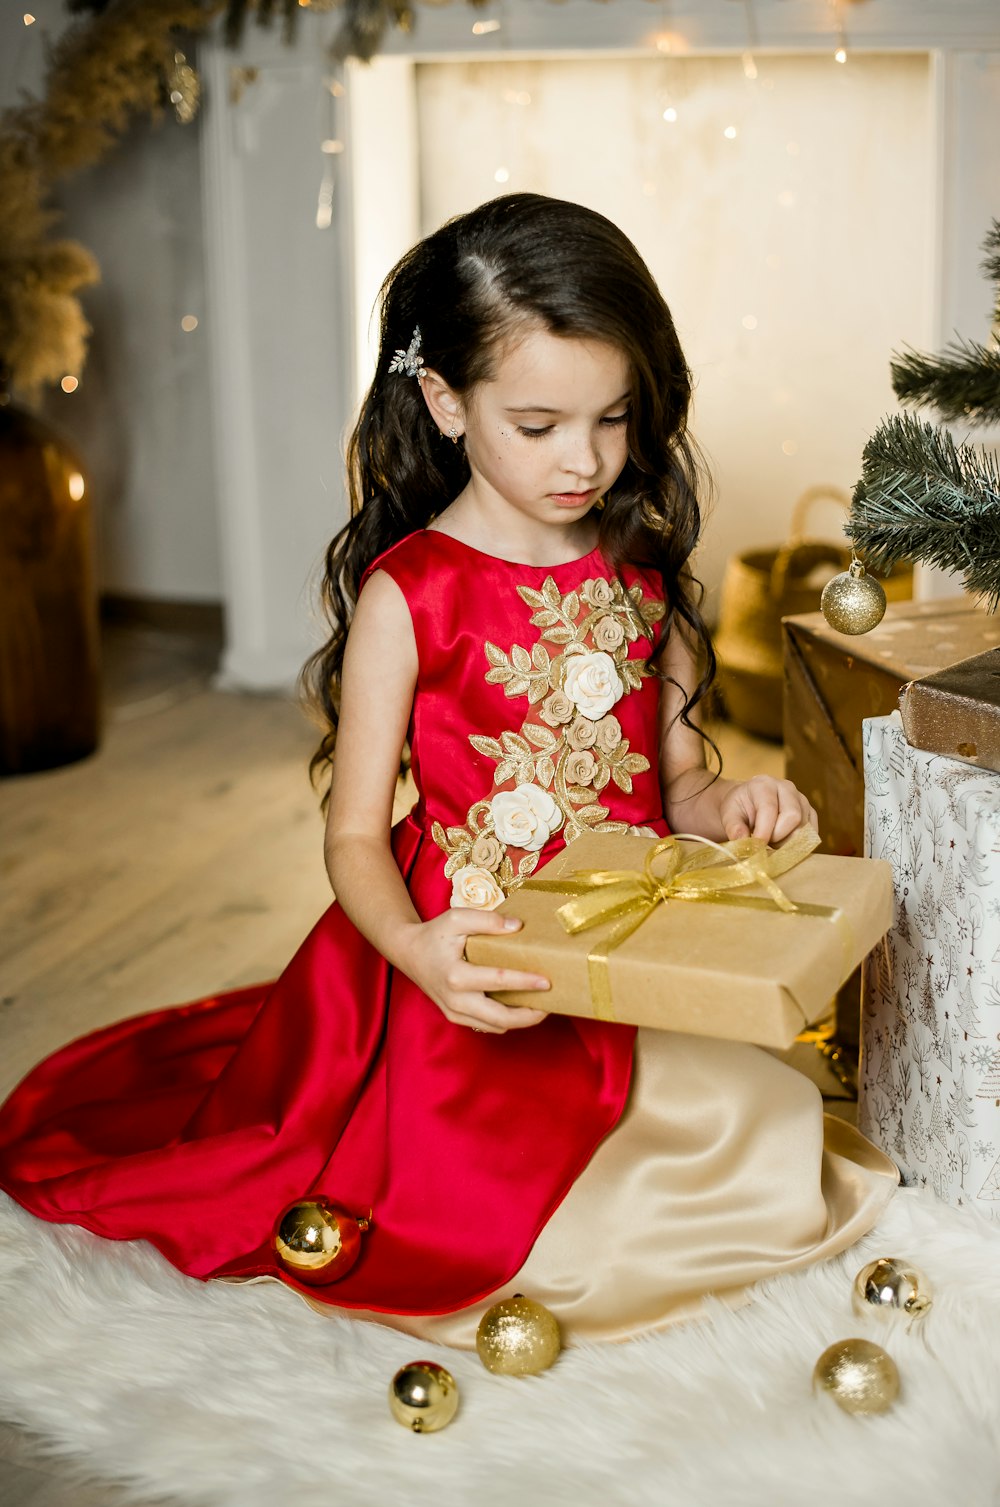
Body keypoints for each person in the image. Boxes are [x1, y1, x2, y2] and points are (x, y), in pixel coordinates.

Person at [0, 194, 897, 1346]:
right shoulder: (410, 595)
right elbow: (356, 840)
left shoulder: (643, 580)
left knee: (752, 1128)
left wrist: (743, 804)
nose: (584, 460)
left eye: (614, 419)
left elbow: (677, 792)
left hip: (623, 941)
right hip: (471, 952)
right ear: (444, 402)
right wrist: (419, 950)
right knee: (500, 1202)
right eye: (539, 424)